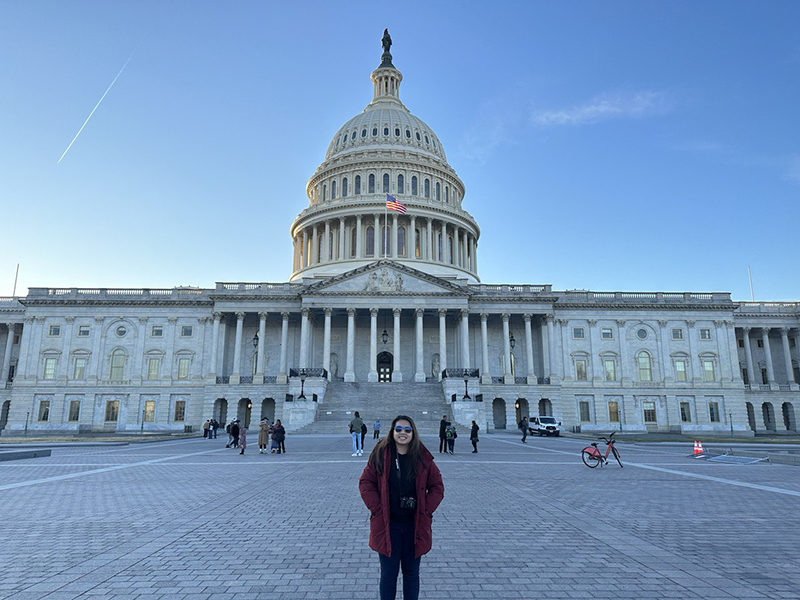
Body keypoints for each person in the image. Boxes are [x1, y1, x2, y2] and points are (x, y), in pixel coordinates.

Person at [359, 415, 444, 600]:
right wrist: (377, 509)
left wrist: (426, 509)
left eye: (407, 429)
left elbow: (437, 486)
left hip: (415, 524)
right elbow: (366, 482)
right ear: (392, 431)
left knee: (412, 573)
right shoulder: (381, 452)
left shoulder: (422, 456)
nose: (402, 433)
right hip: (387, 524)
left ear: (413, 432)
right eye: (398, 429)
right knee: (388, 574)